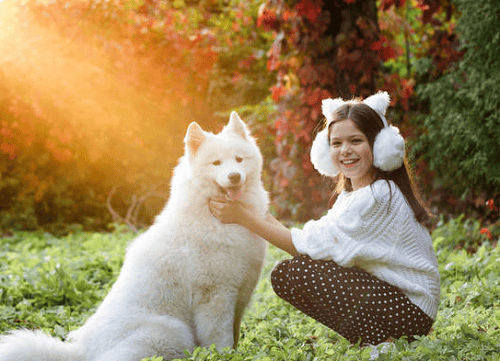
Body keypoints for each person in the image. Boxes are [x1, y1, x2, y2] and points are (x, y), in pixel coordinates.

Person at [209, 91, 440, 346]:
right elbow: (315, 238)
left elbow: (306, 246)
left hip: (410, 311)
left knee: (294, 273)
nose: (345, 151)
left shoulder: (377, 196)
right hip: (398, 302)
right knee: (297, 272)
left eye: (356, 140)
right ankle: (378, 338)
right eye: (336, 143)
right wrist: (253, 210)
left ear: (379, 145)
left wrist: (243, 218)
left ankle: (382, 341)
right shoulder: (356, 194)